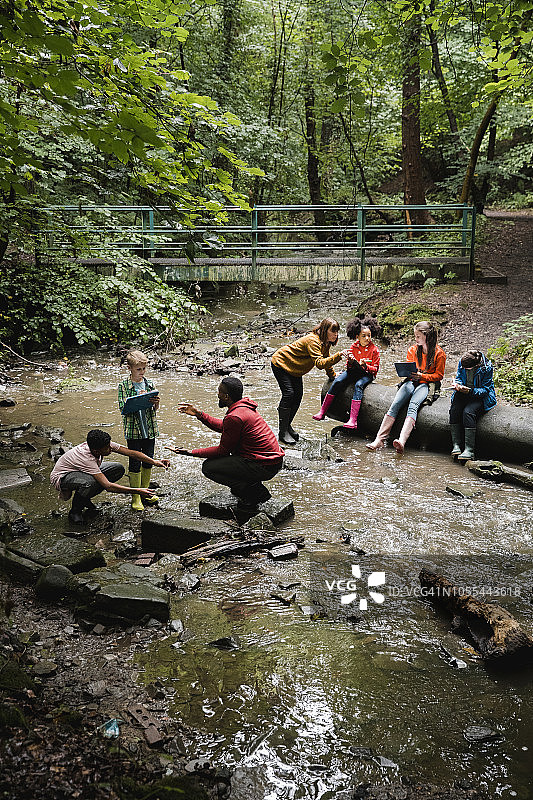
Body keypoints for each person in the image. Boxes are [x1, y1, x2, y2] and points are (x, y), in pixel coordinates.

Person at [171, 377, 284, 514]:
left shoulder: (235, 416)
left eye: (219, 391)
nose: (217, 394)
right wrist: (199, 415)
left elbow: (222, 451)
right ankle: (252, 488)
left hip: (264, 465)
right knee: (231, 460)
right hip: (272, 462)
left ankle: (253, 492)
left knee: (209, 467)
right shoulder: (243, 407)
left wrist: (192, 452)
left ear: (226, 396)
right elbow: (224, 427)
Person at [50, 429, 170, 524]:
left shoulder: (102, 445)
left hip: (81, 471)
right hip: (62, 477)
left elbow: (132, 453)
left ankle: (84, 498)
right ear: (96, 451)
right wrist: (137, 491)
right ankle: (75, 511)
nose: (110, 449)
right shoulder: (87, 458)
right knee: (90, 483)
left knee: (117, 469)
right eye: (107, 448)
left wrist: (154, 462)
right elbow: (108, 486)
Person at [366, 320, 446, 454]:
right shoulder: (412, 350)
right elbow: (409, 368)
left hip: (425, 384)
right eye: (415, 336)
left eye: (418, 336)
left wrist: (423, 376)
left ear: (427, 336)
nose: (416, 339)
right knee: (395, 404)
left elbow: (439, 375)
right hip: (410, 381)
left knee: (413, 405)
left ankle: (402, 441)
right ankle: (379, 439)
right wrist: (408, 373)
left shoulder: (439, 353)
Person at [271, 318, 349, 444]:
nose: (336, 334)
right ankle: (282, 432)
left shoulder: (325, 342)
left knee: (298, 395)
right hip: (281, 363)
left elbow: (326, 359)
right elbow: (319, 363)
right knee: (289, 394)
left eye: (337, 331)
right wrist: (339, 355)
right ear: (324, 331)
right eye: (333, 331)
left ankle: (287, 425)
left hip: (295, 368)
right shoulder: (313, 341)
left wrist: (333, 375)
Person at [313, 316, 381, 430]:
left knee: (358, 385)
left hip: (366, 374)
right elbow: (349, 366)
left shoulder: (374, 350)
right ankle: (322, 412)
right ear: (357, 336)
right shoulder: (353, 347)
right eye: (364, 336)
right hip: (353, 371)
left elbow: (375, 370)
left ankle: (353, 420)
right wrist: (350, 362)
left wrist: (366, 366)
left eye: (369, 335)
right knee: (338, 380)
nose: (367, 338)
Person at [118, 349, 161, 510]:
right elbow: (123, 408)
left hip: (149, 429)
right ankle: (136, 496)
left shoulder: (149, 383)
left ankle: (146, 493)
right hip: (134, 431)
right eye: (138, 369)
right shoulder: (124, 385)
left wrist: (155, 402)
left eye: (144, 369)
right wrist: (136, 401)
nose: (142, 372)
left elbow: (155, 408)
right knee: (135, 462)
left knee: (148, 459)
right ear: (129, 368)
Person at [449, 350, 496, 462]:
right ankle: (456, 445)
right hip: (463, 392)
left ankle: (469, 450)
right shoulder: (463, 362)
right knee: (455, 409)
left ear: (476, 365)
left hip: (480, 396)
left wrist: (470, 391)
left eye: (467, 369)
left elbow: (485, 390)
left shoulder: (487, 368)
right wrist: (457, 384)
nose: (464, 369)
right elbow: (459, 376)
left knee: (468, 412)